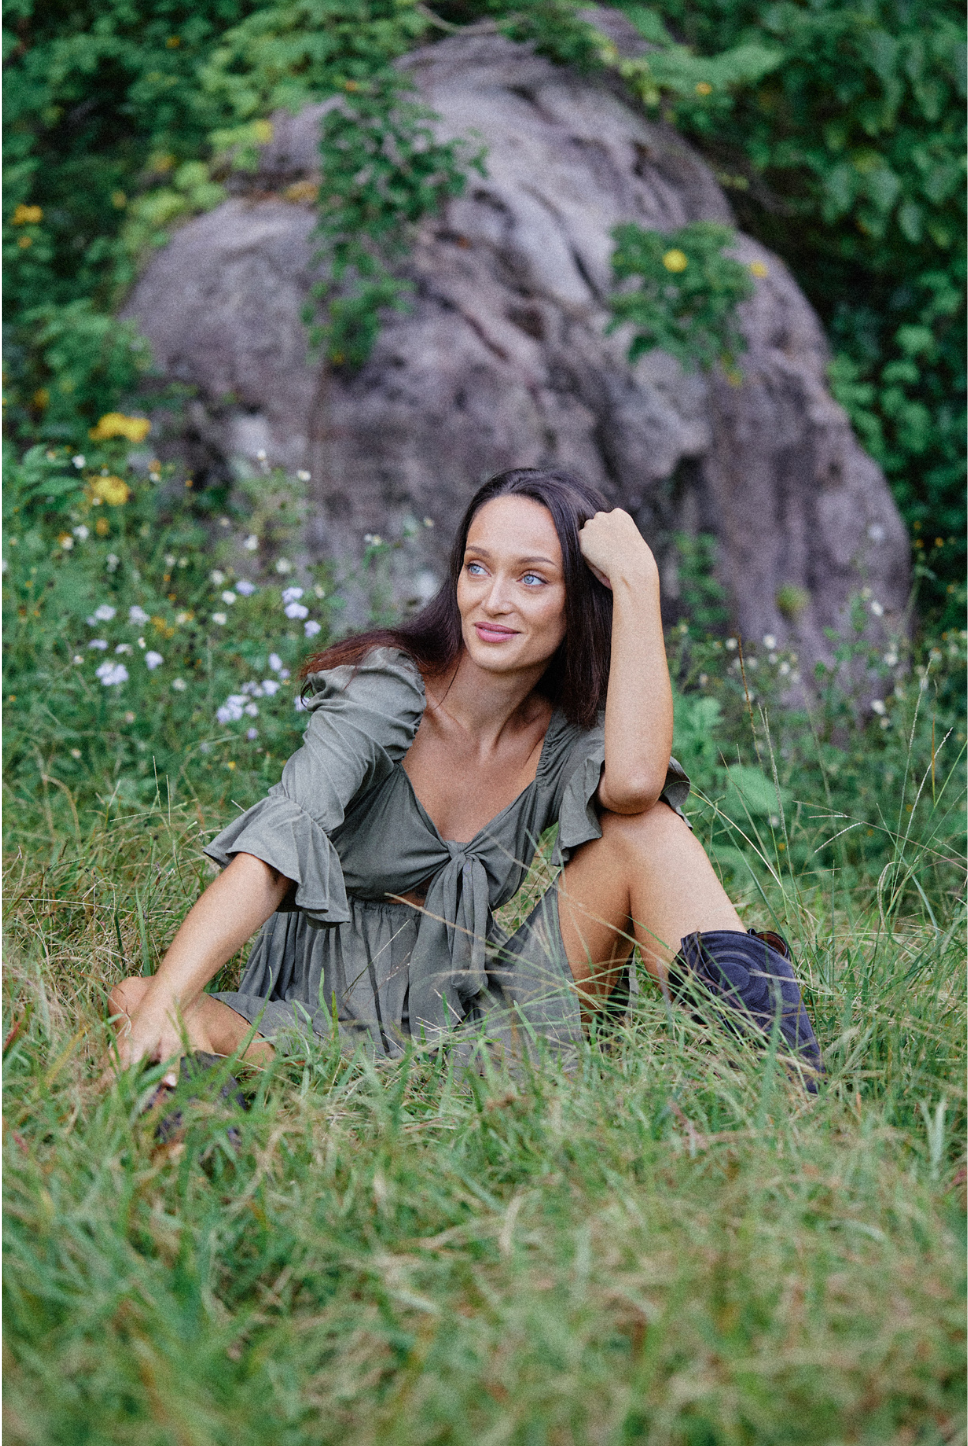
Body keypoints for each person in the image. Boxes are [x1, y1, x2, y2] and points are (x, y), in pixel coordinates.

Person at [106, 467, 823, 1093]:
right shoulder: (386, 693)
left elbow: (635, 787)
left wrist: (638, 581)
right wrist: (169, 997)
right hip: (312, 1024)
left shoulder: (566, 732)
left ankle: (782, 1092)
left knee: (648, 837)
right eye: (478, 568)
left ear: (580, 602)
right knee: (145, 1000)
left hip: (476, 1032)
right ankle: (209, 1127)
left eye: (532, 579)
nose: (494, 600)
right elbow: (274, 850)